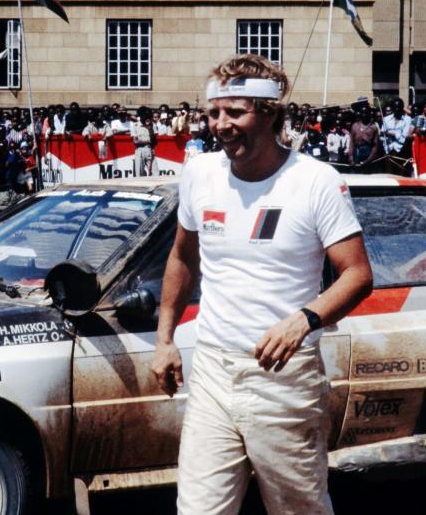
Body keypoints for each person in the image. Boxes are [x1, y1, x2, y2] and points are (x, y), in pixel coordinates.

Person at [151, 53, 373, 515]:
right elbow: (182, 257)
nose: (221, 124)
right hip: (212, 368)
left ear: (270, 113)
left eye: (235, 112)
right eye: (213, 113)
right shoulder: (199, 174)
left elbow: (357, 274)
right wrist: (164, 339)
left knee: (297, 508)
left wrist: (303, 321)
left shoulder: (315, 182)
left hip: (283, 379)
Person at [132, 106, 156, 176]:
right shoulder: (135, 125)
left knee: (155, 173)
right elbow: (135, 141)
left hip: (150, 149)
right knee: (139, 173)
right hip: (140, 150)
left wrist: (149, 128)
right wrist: (149, 141)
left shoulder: (152, 125)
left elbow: (154, 141)